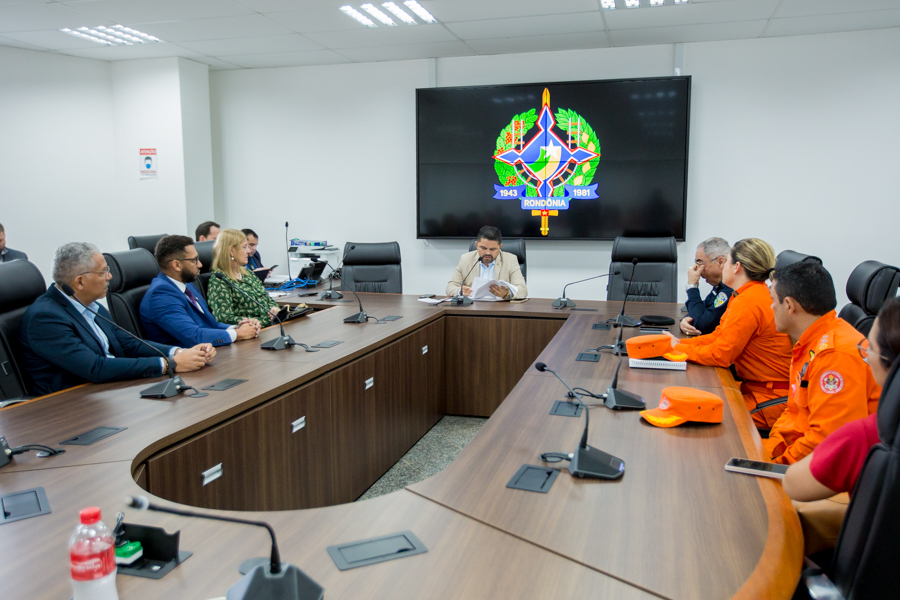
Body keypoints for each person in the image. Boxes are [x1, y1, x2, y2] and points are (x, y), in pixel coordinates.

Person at [18, 242, 214, 396]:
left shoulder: (92, 306)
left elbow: (129, 344)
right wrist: (169, 364)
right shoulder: (45, 318)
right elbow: (94, 367)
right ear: (80, 281)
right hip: (71, 406)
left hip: (109, 390)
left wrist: (181, 352)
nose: (110, 276)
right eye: (103, 272)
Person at [783, 297, 900, 500]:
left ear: (888, 361)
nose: (865, 356)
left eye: (869, 348)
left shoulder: (869, 435)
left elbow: (793, 484)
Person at [764, 261, 881, 465]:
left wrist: (776, 464)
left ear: (790, 305)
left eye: (773, 299)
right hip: (801, 455)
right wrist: (768, 452)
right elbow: (794, 413)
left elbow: (829, 443)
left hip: (829, 472)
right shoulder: (812, 341)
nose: (771, 306)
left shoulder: (834, 356)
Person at [673, 238, 793, 430]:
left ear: (736, 267)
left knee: (697, 416)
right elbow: (718, 336)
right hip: (753, 390)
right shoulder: (744, 295)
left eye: (727, 261)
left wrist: (676, 350)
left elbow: (721, 355)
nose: (723, 267)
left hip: (770, 401)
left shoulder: (749, 301)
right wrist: (676, 344)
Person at [140, 235, 260, 348]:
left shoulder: (187, 285)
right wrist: (239, 334)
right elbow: (194, 335)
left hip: (210, 351)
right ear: (176, 265)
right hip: (186, 362)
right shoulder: (161, 295)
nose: (200, 264)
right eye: (194, 260)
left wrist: (237, 327)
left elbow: (211, 325)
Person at [207, 229, 282, 327]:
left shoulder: (248, 274)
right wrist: (255, 321)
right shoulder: (219, 280)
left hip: (271, 326)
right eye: (244, 247)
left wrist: (275, 309)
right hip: (252, 333)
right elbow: (223, 317)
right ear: (232, 251)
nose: (249, 251)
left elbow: (267, 299)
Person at [445, 226, 527, 300]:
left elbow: (522, 290)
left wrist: (507, 293)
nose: (487, 253)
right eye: (483, 248)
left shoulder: (510, 260)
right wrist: (460, 291)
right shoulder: (466, 259)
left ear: (500, 247)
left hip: (500, 310)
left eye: (492, 249)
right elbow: (450, 287)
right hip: (472, 309)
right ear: (477, 245)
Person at [680, 237, 733, 336]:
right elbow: (702, 310)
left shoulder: (730, 288)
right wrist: (685, 320)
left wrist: (692, 287)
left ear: (720, 262)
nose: (697, 269)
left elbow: (701, 325)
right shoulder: (720, 285)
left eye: (700, 263)